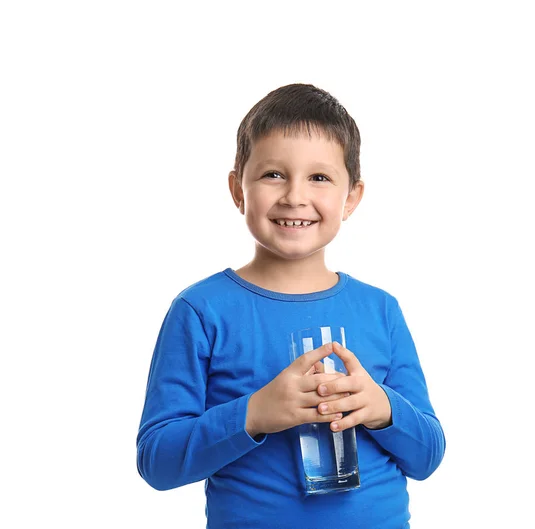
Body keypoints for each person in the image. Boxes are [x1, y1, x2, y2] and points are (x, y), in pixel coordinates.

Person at [136, 83, 446, 528]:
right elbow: (157, 461)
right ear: (237, 189)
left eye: (319, 178)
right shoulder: (201, 310)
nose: (294, 196)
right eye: (273, 174)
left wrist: (383, 408)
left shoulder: (380, 309)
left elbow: (428, 456)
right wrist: (255, 413)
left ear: (351, 198)